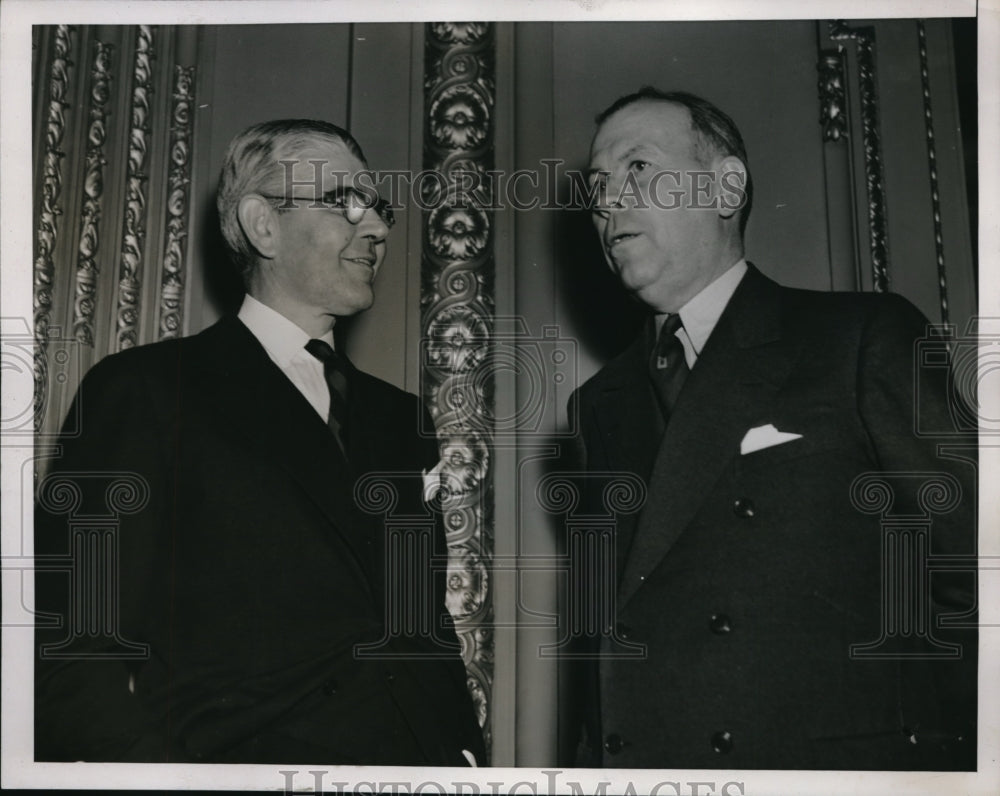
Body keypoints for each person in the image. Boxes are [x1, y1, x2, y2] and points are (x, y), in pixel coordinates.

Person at [34, 119, 485, 766]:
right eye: (344, 201)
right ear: (261, 224)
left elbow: (425, 635)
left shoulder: (400, 419)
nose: (380, 228)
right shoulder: (151, 391)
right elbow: (71, 650)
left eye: (378, 207)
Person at [566, 88, 977, 770]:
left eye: (638, 167)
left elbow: (977, 567)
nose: (608, 200)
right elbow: (603, 653)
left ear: (726, 187)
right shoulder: (599, 404)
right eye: (598, 186)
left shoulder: (861, 337)